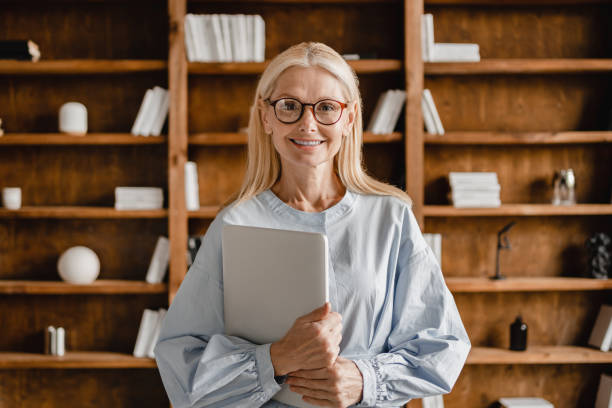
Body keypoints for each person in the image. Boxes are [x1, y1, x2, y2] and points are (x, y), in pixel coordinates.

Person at [154, 42, 471, 408]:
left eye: (326, 108)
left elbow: (444, 344)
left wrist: (364, 379)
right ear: (265, 116)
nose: (308, 124)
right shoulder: (235, 223)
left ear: (349, 118)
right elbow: (180, 359)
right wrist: (275, 359)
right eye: (289, 106)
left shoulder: (391, 217)